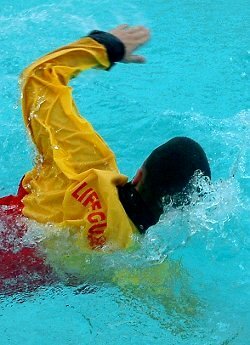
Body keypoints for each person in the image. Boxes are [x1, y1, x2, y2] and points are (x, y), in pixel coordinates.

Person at [0, 25, 210, 292]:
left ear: (139, 175)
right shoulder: (138, 263)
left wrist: (106, 46)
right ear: (177, 213)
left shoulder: (84, 162)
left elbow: (39, 77)